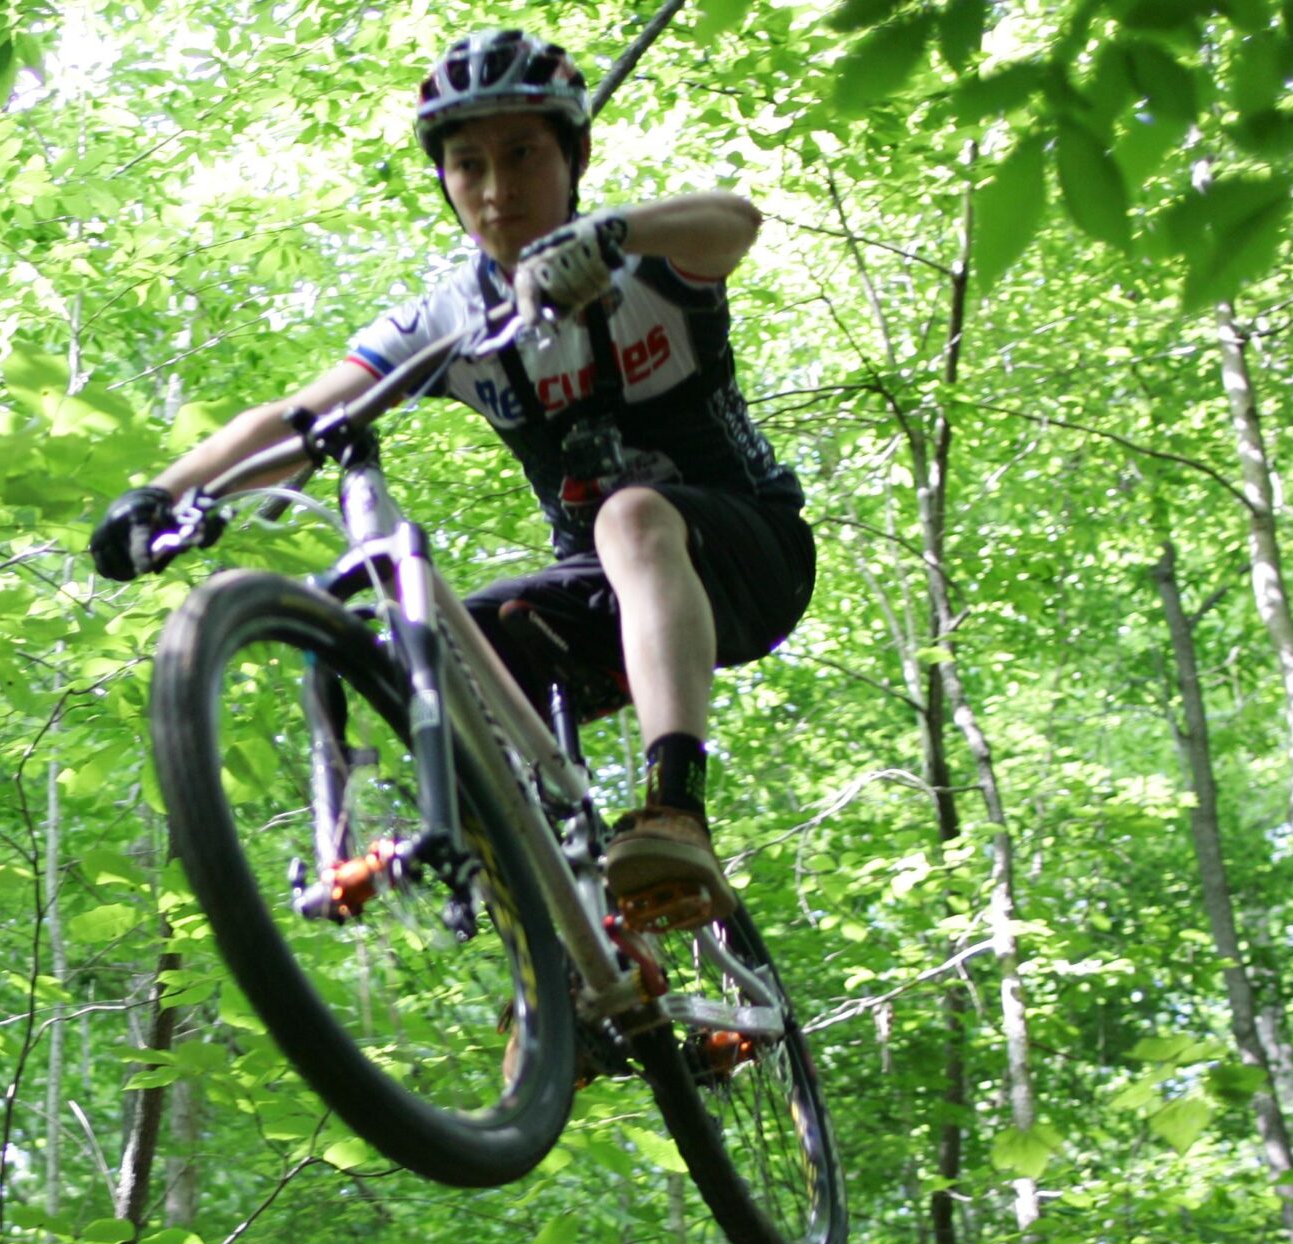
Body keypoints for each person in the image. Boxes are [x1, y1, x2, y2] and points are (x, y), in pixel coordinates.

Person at [89, 26, 812, 931]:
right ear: (445, 180)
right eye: (469, 165)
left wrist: (615, 234)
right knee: (439, 653)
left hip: (751, 552)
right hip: (603, 594)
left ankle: (675, 806)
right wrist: (167, 492)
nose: (498, 190)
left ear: (573, 155)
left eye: (522, 155)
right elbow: (300, 419)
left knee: (627, 515)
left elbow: (735, 222)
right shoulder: (453, 317)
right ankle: (559, 974)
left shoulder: (648, 265)